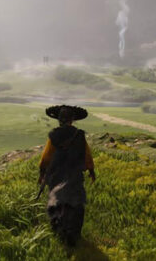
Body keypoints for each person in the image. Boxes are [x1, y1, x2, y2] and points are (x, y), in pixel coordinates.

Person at [38, 105, 95, 246]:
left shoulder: (54, 135)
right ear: (72, 120)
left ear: (59, 120)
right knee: (76, 202)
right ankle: (74, 235)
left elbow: (46, 157)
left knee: (56, 201)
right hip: (75, 173)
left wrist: (42, 173)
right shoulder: (79, 135)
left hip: (56, 175)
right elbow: (87, 155)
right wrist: (91, 171)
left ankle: (59, 231)